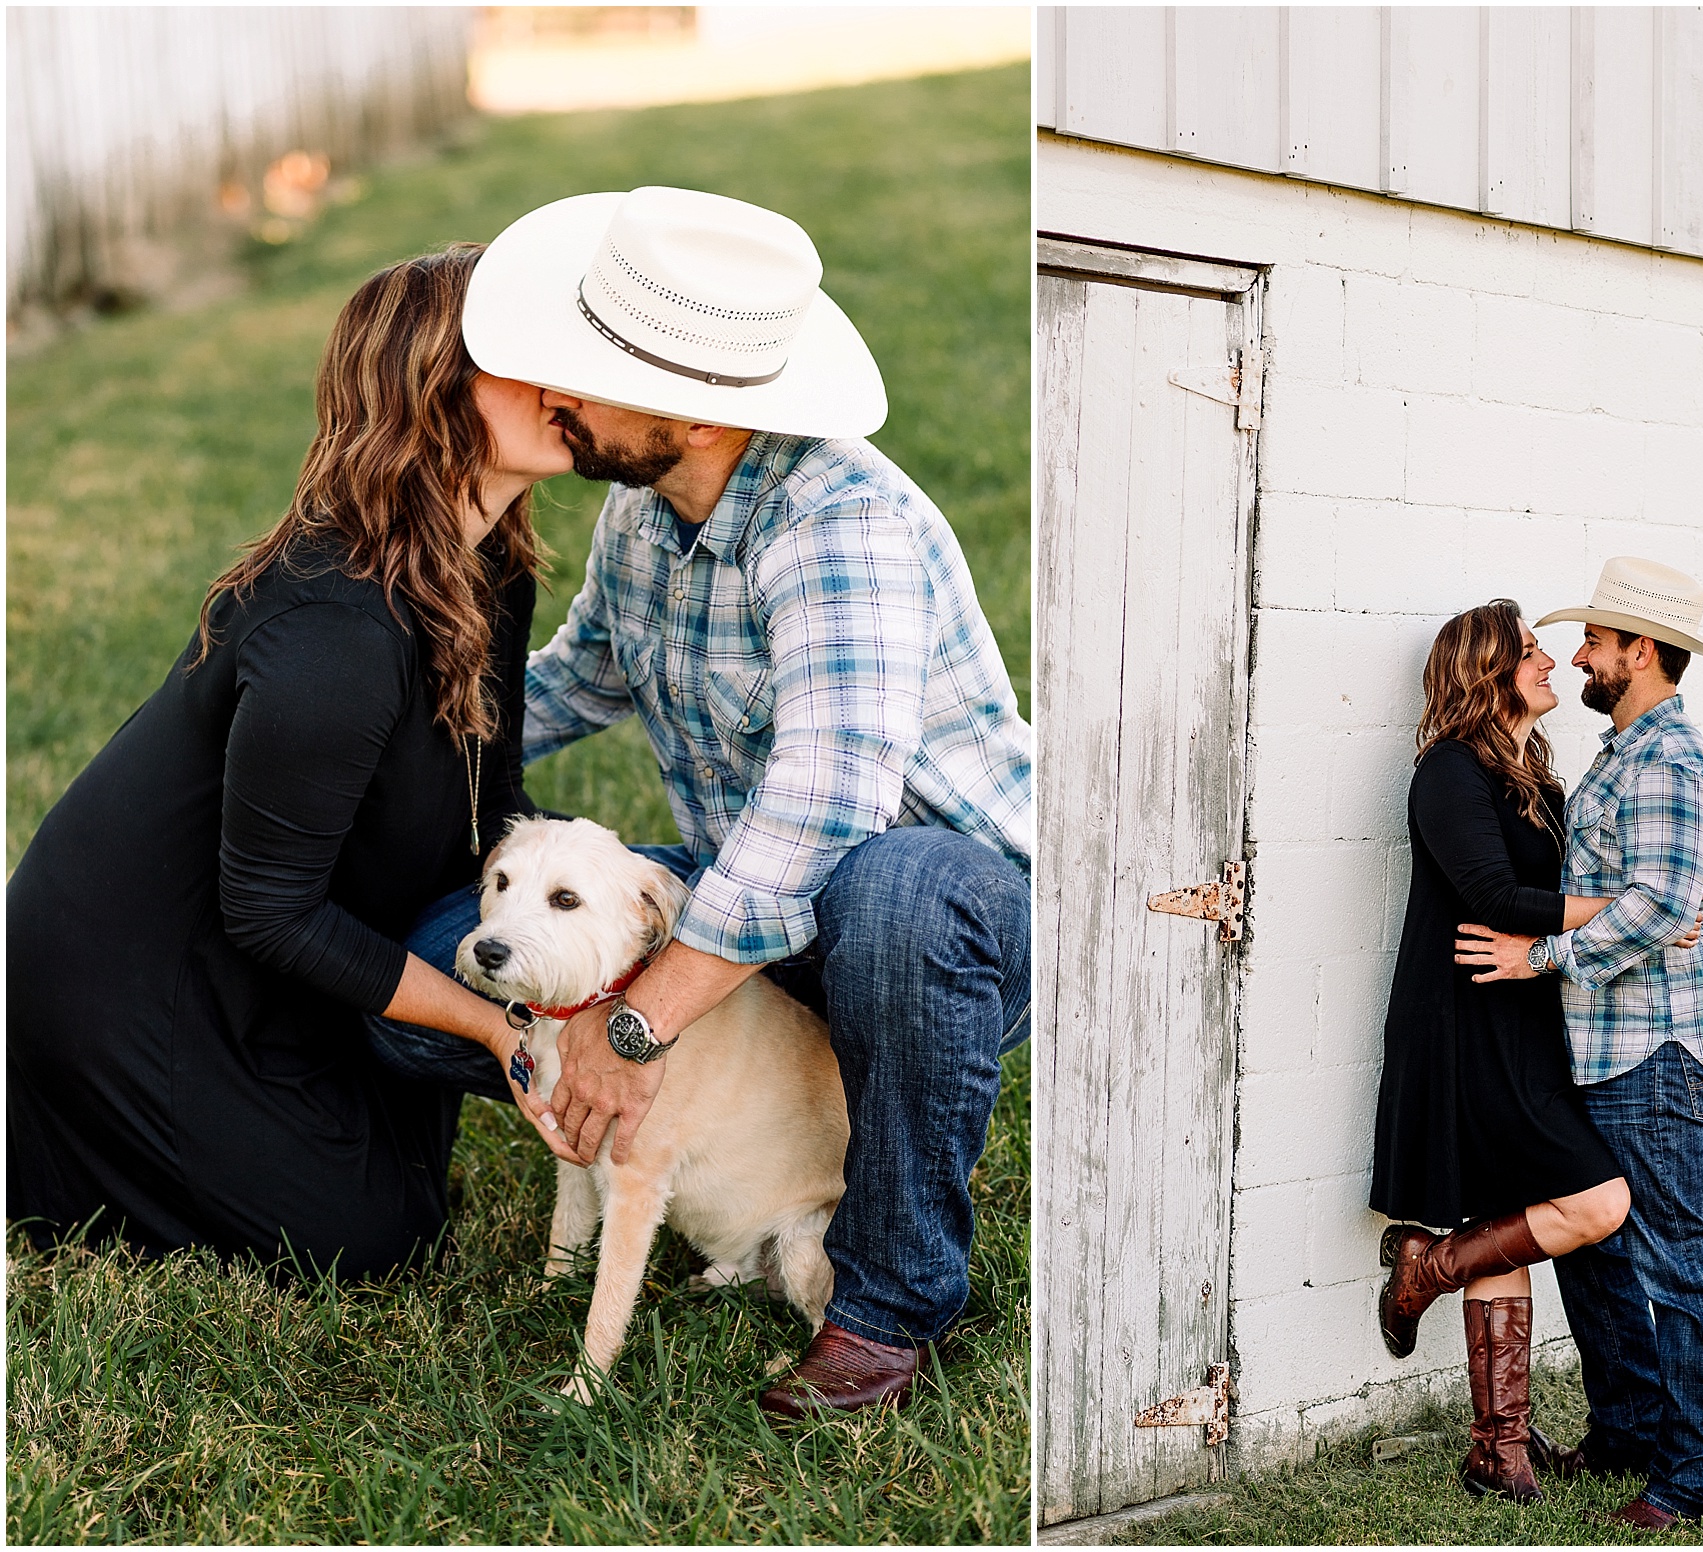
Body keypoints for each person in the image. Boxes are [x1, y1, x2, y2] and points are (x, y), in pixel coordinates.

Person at [372, 185, 1033, 1417]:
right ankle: (667, 1143)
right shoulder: (644, 509)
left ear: (690, 406)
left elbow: (830, 809)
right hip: (754, 893)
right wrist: (378, 732)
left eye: (583, 374)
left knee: (896, 892)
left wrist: (636, 1028)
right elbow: (568, 684)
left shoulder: (841, 523)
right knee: (424, 966)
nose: (550, 394)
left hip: (938, 925)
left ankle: (884, 1306)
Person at [7, 245, 572, 1279]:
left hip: (283, 944)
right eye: (521, 358)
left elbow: (490, 808)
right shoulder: (335, 627)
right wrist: (495, 1027)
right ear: (431, 392)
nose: (563, 381)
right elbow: (266, 909)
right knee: (374, 1242)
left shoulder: (488, 561)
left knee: (403, 1180)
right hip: (141, 983)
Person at [1455, 556, 1703, 1532]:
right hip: (1598, 1044)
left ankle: (1693, 1477)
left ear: (1643, 654)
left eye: (1595, 641)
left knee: (1679, 1262)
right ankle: (1624, 1428)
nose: (1578, 654)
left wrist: (1541, 954)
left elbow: (1658, 904)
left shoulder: (1667, 762)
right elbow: (1658, 897)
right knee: (1596, 1251)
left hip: (1651, 1048)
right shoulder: (1622, 750)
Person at [1371, 598, 1670, 1503]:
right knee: (1598, 1200)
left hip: (1526, 1019)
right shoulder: (1448, 772)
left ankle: (1496, 1453)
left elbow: (1552, 892)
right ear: (1486, 672)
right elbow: (1496, 895)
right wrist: (1635, 910)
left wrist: (1627, 910)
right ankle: (1427, 1269)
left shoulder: (1531, 773)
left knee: (1504, 1215)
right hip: (1463, 1027)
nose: (1551, 665)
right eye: (1531, 653)